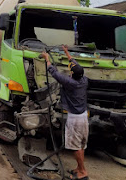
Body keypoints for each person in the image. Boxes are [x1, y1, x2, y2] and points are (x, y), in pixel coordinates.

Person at [42, 45, 89, 180]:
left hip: (75, 119)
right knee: (80, 144)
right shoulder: (84, 80)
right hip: (83, 116)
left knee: (75, 146)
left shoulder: (70, 83)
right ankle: (79, 168)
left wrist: (46, 59)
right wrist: (66, 52)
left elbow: (54, 72)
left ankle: (83, 172)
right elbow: (75, 63)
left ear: (72, 74)